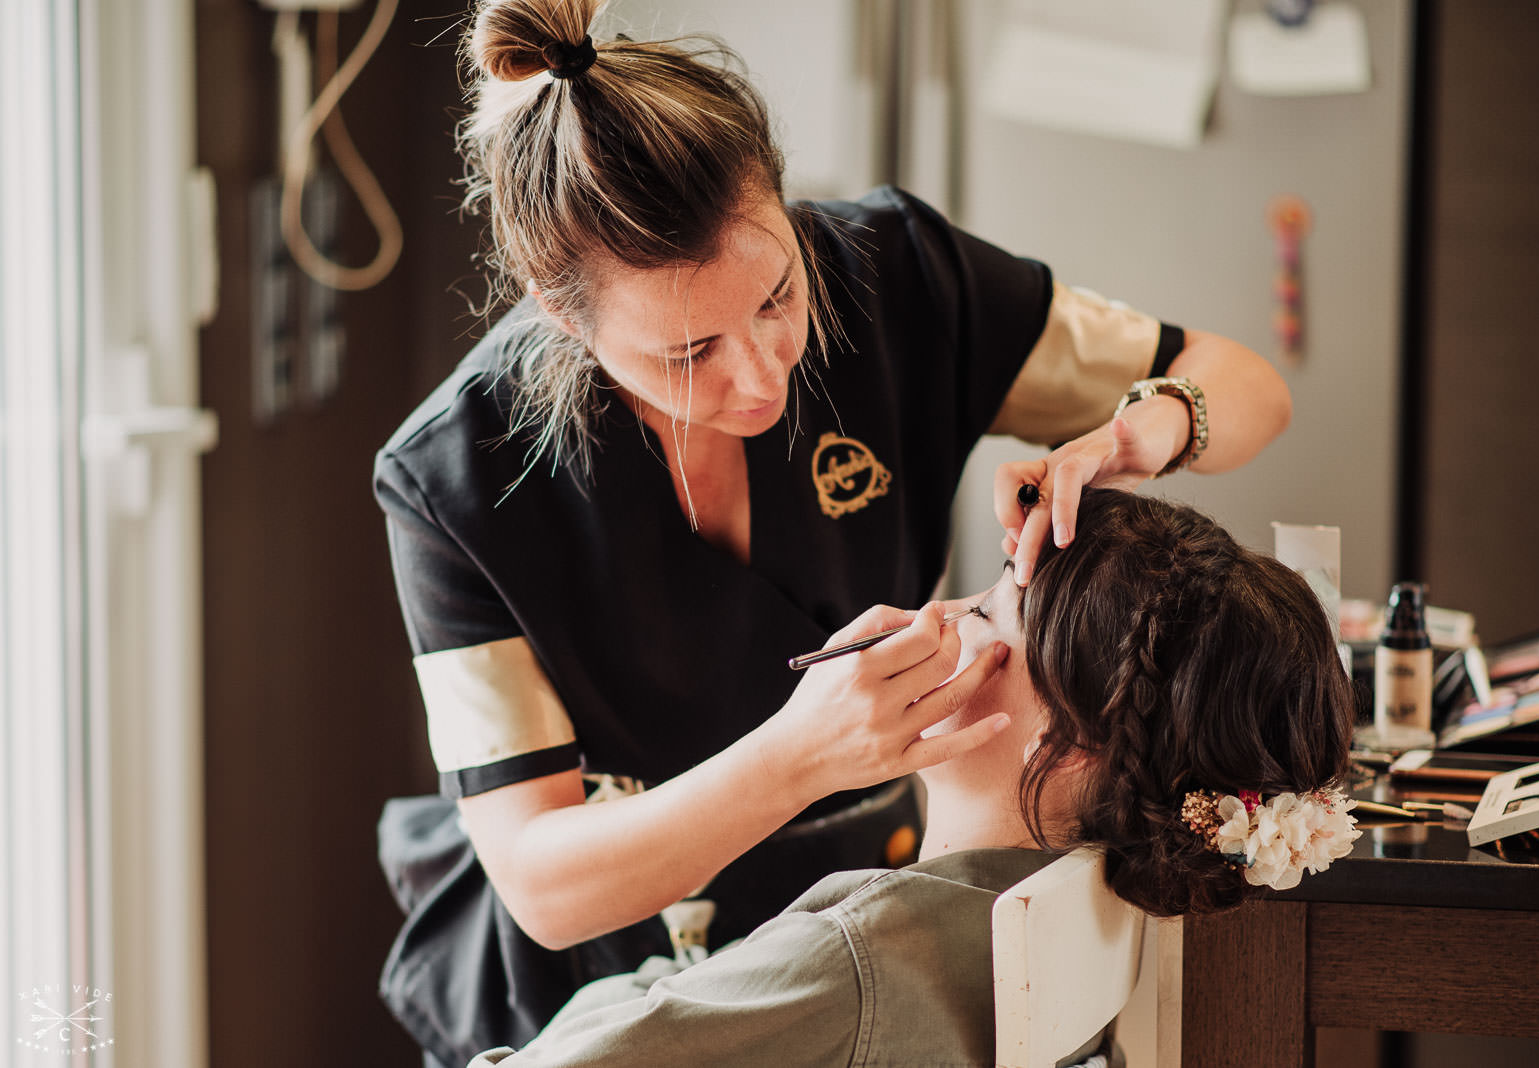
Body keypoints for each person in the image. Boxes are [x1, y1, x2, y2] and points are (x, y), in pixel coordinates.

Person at [374, 2, 1293, 1064]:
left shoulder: (896, 279)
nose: (761, 373)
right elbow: (543, 881)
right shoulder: (458, 477)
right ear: (562, 312)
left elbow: (1248, 384)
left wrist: (1141, 434)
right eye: (690, 353)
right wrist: (799, 757)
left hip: (868, 908)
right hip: (610, 981)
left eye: (775, 297)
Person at [452, 488, 1359, 1068]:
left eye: (985, 608)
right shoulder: (1083, 903)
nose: (932, 616)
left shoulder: (858, 967)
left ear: (1080, 739)